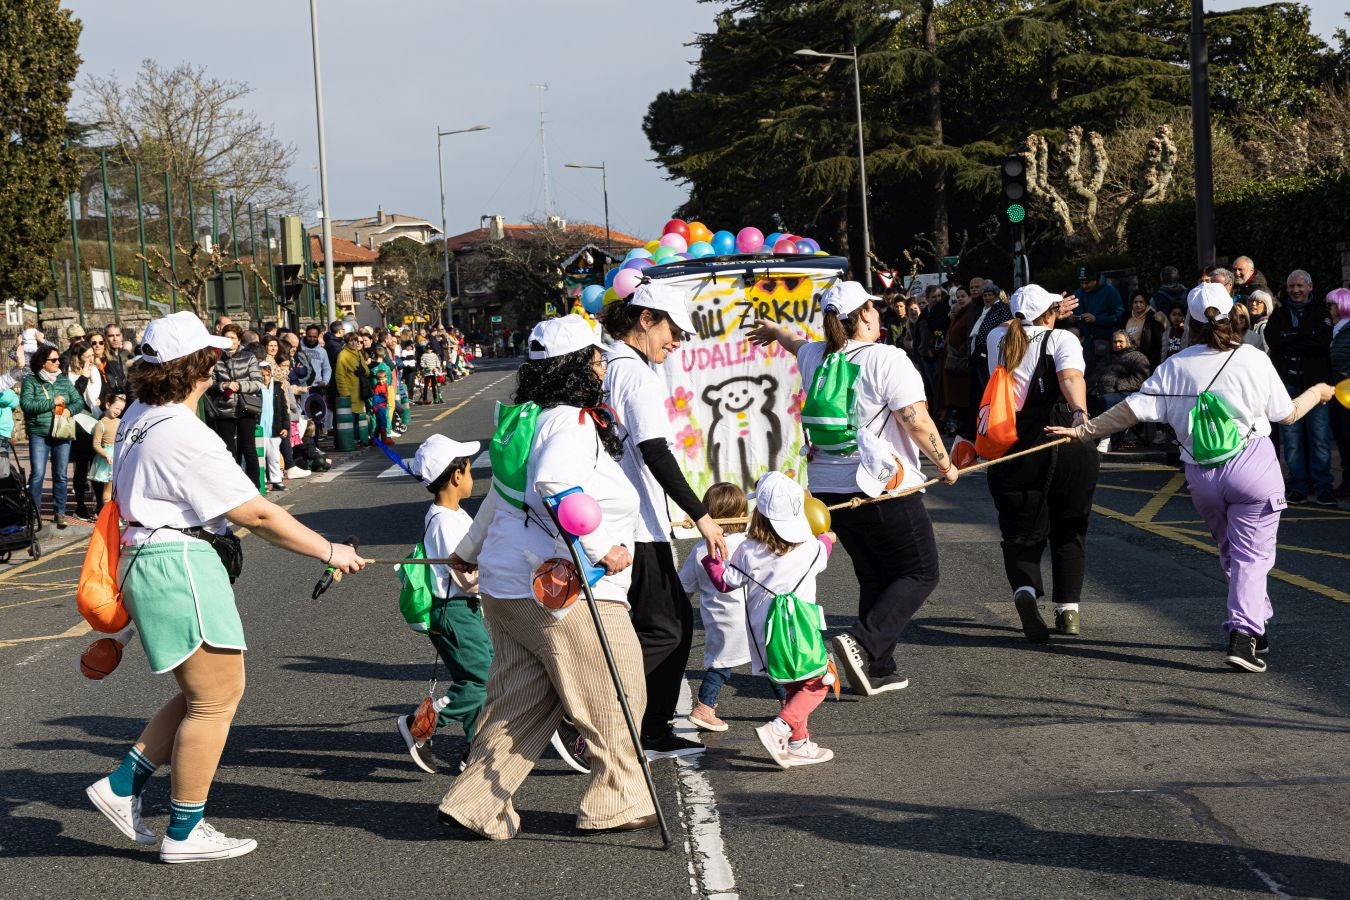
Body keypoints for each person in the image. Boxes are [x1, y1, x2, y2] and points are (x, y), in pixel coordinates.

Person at [82, 311, 363, 862]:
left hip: (151, 558)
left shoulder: (142, 412)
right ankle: (184, 831)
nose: (220, 362)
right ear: (199, 368)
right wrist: (331, 551)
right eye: (212, 356)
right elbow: (257, 515)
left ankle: (121, 786)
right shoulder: (185, 436)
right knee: (216, 698)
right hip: (178, 561)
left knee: (201, 693)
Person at [439, 315, 654, 840]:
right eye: (597, 358)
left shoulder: (523, 419)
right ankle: (616, 799)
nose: (603, 365)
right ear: (578, 366)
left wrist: (468, 550)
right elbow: (554, 483)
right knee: (615, 686)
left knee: (523, 700)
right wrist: (602, 549)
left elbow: (502, 497)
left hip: (508, 584)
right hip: (564, 587)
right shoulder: (571, 421)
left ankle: (476, 802)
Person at [1048, 284, 1335, 672]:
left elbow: (1130, 411)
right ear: (1232, 314)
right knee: (1252, 555)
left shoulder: (1174, 366)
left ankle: (1255, 623)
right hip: (1252, 465)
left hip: (1201, 474)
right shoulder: (1251, 358)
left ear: (1190, 324)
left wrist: (1084, 431)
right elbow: (1286, 414)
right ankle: (1244, 634)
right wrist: (1317, 392)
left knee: (1234, 553)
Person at [749, 281, 959, 696]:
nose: (879, 314)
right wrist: (945, 463)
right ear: (863, 315)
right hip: (881, 486)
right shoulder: (888, 358)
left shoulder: (816, 355)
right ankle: (862, 644)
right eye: (874, 308)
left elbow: (796, 344)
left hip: (829, 490)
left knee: (875, 573)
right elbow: (915, 420)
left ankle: (877, 669)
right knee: (920, 571)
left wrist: (775, 333)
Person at [602, 281, 726, 759]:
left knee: (668, 626)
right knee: (666, 629)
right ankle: (604, 714)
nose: (676, 342)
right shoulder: (634, 374)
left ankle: (648, 727)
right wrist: (702, 516)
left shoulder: (609, 364)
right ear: (646, 319)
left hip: (625, 517)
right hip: (634, 522)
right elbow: (653, 449)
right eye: (673, 330)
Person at [983, 285, 1098, 641]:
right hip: (1065, 439)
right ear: (1050, 314)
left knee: (1020, 531)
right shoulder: (1062, 339)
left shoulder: (996, 339)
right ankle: (1069, 613)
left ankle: (1026, 591)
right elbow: (1070, 377)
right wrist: (1079, 412)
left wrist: (1045, 312)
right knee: (1070, 527)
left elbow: (1015, 325)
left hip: (1015, 444)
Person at [702, 472, 836, 768]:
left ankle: (799, 743)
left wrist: (711, 554)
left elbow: (724, 582)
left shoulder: (747, 550)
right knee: (819, 681)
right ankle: (779, 728)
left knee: (792, 685)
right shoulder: (812, 548)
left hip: (766, 635)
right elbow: (825, 548)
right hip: (801, 632)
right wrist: (828, 537)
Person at [395, 435, 494, 775]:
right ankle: (420, 724)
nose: (472, 476)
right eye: (468, 469)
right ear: (456, 476)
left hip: (460, 610)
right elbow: (465, 577)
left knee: (478, 679)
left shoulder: (452, 515)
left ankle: (475, 747)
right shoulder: (444, 522)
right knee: (483, 680)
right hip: (453, 610)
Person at [679, 482, 787, 732]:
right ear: (741, 515)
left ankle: (706, 706)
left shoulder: (699, 550)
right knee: (770, 662)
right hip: (753, 617)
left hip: (719, 620)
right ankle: (788, 704)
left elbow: (684, 586)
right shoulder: (749, 544)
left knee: (721, 663)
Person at [1264, 269, 1334, 506]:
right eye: (1292, 286)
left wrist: (1290, 338)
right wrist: (1304, 336)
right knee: (1291, 440)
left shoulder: (1321, 314)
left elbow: (1321, 344)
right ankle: (1298, 486)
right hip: (1287, 386)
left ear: (1310, 287)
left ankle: (1323, 486)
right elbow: (1274, 341)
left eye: (1300, 286)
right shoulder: (1279, 314)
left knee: (1320, 438)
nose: (1295, 290)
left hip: (1316, 387)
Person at [19, 345, 84, 529]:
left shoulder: (63, 381)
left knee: (61, 475)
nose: (58, 363)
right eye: (53, 360)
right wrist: (51, 402)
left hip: (62, 432)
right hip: (39, 433)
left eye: (58, 360)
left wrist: (69, 410)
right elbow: (26, 405)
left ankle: (59, 512)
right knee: (38, 474)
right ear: (42, 362)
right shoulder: (32, 381)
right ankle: (34, 514)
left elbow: (79, 401)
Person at [207, 325, 263, 487]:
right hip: (224, 408)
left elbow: (257, 382)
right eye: (227, 338)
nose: (230, 341)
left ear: (239, 340)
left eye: (233, 338)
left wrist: (239, 385)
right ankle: (233, 486)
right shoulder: (216, 358)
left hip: (247, 407)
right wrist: (224, 386)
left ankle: (255, 485)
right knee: (228, 450)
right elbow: (210, 383)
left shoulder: (249, 356)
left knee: (249, 447)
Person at [1091, 331, 1152, 451]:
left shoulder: (1138, 357)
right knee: (1088, 398)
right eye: (1115, 342)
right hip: (1103, 390)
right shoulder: (1108, 356)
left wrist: (1116, 385)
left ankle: (1106, 438)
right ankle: (1091, 437)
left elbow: (1139, 380)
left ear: (1128, 342)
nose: (1117, 344)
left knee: (1107, 400)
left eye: (1120, 342)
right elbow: (1097, 373)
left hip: (1126, 392)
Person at [67, 340, 104, 520]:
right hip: (78, 424)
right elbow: (74, 398)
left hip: (94, 420)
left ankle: (100, 506)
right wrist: (83, 376)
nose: (92, 358)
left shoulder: (95, 371)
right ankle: (80, 506)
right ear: (78, 358)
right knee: (81, 467)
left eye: (92, 355)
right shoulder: (69, 373)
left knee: (96, 464)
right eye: (88, 356)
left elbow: (96, 396)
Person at [1072, 266, 1125, 368]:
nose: (1083, 286)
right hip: (1082, 346)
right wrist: (1071, 319)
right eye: (1081, 283)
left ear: (1096, 280)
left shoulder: (1110, 292)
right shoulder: (1078, 293)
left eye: (1087, 283)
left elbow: (1119, 317)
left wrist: (1096, 319)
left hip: (1103, 345)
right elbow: (1073, 313)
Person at [1326, 287, 1350, 500]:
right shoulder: (1335, 329)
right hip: (1336, 390)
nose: (1329, 309)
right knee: (1341, 436)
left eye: (1332, 304)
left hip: (1347, 390)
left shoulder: (1347, 329)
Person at [942, 285, 975, 437]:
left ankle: (966, 427)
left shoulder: (971, 312)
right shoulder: (957, 312)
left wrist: (961, 350)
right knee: (957, 398)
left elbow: (968, 334)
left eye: (963, 296)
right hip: (954, 360)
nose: (960, 299)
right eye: (958, 296)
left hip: (962, 360)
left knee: (965, 397)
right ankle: (960, 426)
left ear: (969, 297)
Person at [90, 393, 127, 512]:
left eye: (121, 409)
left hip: (118, 457)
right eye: (116, 408)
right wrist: (106, 454)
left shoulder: (121, 422)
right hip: (107, 461)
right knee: (108, 491)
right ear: (107, 405)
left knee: (119, 490)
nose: (118, 411)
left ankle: (115, 514)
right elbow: (96, 444)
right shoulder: (100, 424)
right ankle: (107, 516)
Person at [257, 360, 286, 492]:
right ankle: (261, 481)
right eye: (261, 375)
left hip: (275, 429)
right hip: (260, 429)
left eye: (266, 375)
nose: (264, 378)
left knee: (274, 456)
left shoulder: (277, 388)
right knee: (259, 457)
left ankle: (276, 480)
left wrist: (285, 427)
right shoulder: (256, 388)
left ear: (271, 374)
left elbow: (284, 409)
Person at [1124, 290, 1166, 368]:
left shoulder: (1153, 319)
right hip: (1126, 359)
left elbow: (1157, 344)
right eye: (1135, 302)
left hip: (1145, 362)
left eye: (1141, 302)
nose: (1138, 304)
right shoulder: (1126, 318)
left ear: (1146, 303)